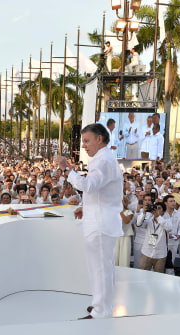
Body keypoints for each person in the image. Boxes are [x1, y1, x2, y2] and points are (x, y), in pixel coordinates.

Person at [56, 123, 123, 319]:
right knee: (104, 267)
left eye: (87, 141)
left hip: (101, 223)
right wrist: (85, 207)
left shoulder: (103, 161)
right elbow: (103, 193)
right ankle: (101, 304)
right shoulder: (104, 159)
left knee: (100, 268)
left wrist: (66, 170)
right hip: (100, 219)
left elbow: (88, 185)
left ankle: (101, 312)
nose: (84, 146)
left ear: (99, 139)